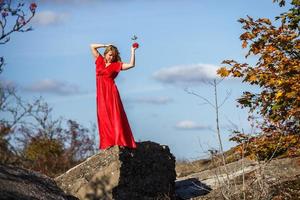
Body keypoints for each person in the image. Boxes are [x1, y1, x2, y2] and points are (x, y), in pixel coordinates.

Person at [90, 43, 137, 150]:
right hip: (101, 94)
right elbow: (92, 46)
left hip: (111, 92)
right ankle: (107, 142)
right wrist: (105, 45)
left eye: (114, 56)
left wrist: (133, 51)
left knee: (114, 115)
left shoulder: (116, 65)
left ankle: (119, 140)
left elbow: (131, 65)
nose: (112, 57)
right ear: (106, 54)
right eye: (110, 55)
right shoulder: (99, 60)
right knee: (103, 117)